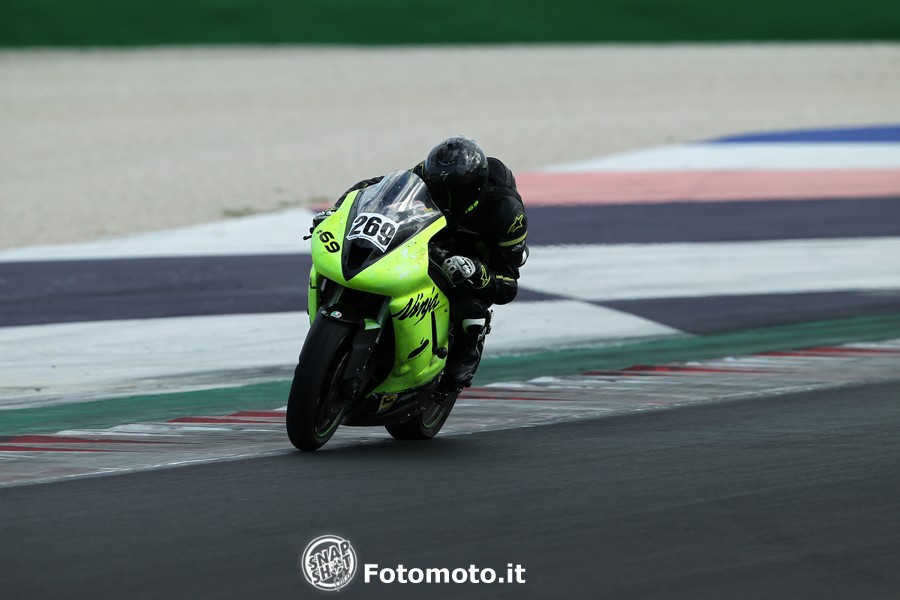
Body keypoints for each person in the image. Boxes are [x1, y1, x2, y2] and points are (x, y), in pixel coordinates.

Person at [313, 136, 528, 393]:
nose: (444, 195)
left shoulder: (508, 213)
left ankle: (463, 357)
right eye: (438, 188)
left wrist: (477, 272)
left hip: (473, 255)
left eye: (454, 191)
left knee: (472, 309)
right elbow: (371, 189)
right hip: (432, 236)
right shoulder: (428, 173)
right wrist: (337, 210)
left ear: (475, 188)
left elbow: (508, 284)